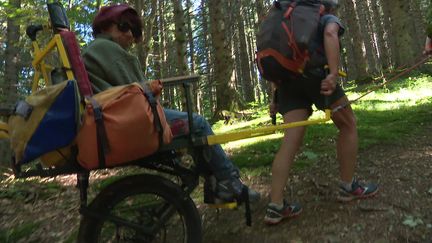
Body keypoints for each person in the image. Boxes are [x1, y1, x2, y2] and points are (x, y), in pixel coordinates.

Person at [81, 4, 260, 203]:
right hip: (127, 120)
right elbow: (138, 90)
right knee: (198, 124)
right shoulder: (106, 48)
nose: (130, 34)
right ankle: (229, 182)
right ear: (105, 27)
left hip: (117, 118)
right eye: (124, 26)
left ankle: (216, 184)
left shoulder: (97, 50)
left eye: (133, 29)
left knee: (191, 123)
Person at [265, 0, 378, 225]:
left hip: (287, 84)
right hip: (317, 77)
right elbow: (329, 33)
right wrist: (333, 74)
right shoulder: (323, 15)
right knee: (348, 125)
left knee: (290, 141)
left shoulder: (284, 19)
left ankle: (275, 206)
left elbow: (277, 57)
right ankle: (348, 186)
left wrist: (275, 97)